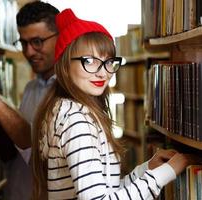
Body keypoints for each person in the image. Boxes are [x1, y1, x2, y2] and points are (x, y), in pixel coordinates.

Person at [32, 8, 189, 199]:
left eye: (108, 62)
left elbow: (105, 189)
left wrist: (146, 169)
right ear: (64, 65)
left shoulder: (67, 110)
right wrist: (165, 174)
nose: (102, 72)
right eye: (89, 61)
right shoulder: (76, 120)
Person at [0, 2, 59, 199]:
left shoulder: (67, 92)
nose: (28, 52)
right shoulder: (31, 88)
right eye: (24, 43)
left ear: (60, 37)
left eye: (37, 41)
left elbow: (35, 150)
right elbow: (13, 154)